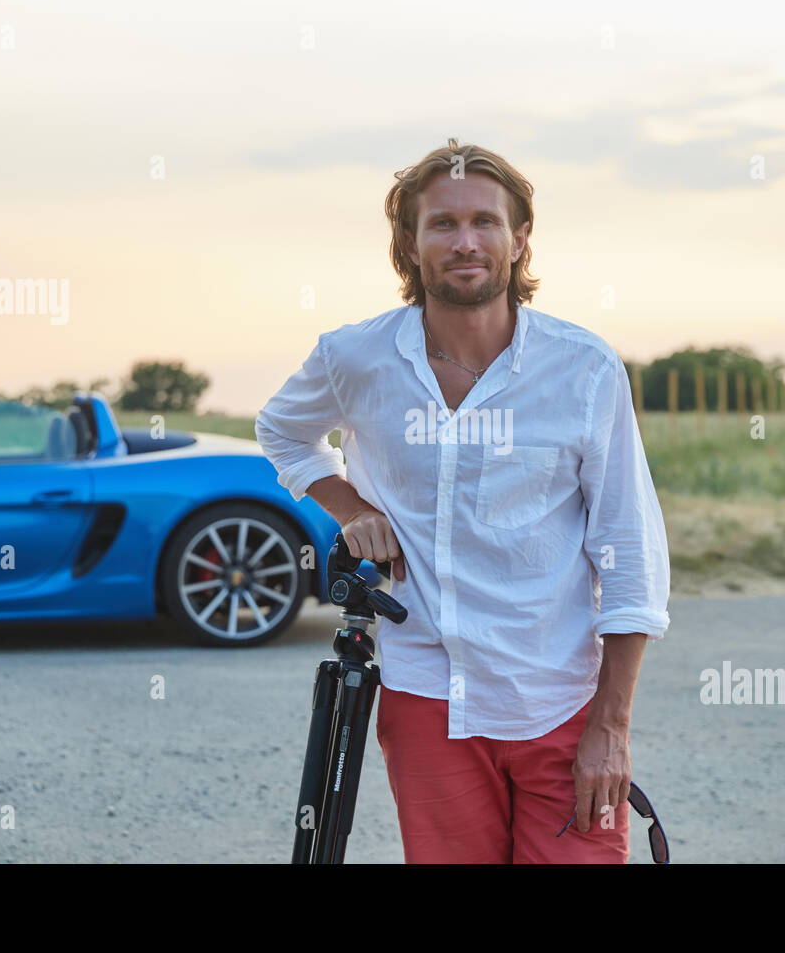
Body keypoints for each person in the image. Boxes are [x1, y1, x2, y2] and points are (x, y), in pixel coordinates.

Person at [254, 137, 671, 863]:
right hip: (426, 697)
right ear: (409, 246)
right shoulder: (355, 358)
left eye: (485, 220)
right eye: (442, 224)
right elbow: (283, 433)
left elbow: (628, 551)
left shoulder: (583, 369)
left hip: (560, 702)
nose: (465, 240)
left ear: (519, 239)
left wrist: (612, 725)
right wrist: (352, 508)